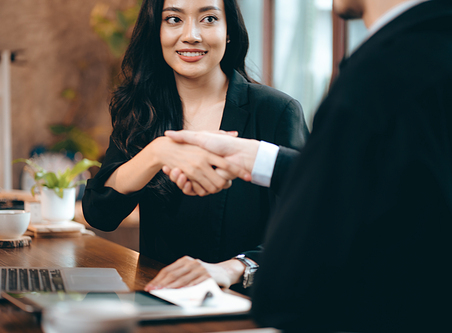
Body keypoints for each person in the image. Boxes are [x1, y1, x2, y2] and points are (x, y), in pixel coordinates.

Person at [164, 0, 452, 331]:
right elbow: (392, 184)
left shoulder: (384, 73)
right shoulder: (432, 49)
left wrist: (240, 269)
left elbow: (291, 285)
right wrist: (258, 158)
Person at [81, 0, 309, 292]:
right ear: (156, 31)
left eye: (209, 19)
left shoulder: (276, 111)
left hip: (246, 307)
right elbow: (100, 213)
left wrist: (233, 268)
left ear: (229, 32)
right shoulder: (140, 111)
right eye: (174, 19)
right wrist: (157, 152)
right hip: (160, 303)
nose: (191, 35)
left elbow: (309, 222)